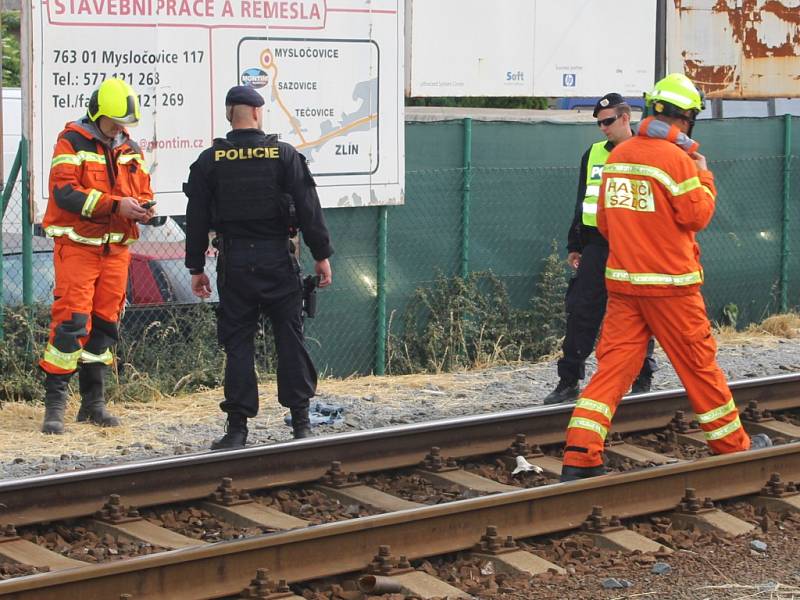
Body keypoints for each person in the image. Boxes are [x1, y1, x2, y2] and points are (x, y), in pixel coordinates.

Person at [559, 73, 771, 481]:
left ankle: (580, 455)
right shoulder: (678, 160)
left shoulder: (618, 156)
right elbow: (698, 215)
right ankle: (733, 450)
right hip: (671, 288)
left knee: (612, 370)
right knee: (698, 367)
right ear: (685, 119)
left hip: (623, 285)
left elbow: (603, 222)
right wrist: (704, 176)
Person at [184, 85, 333, 449]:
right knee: (290, 338)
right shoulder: (283, 155)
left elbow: (197, 217)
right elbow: (309, 208)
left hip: (234, 264)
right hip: (278, 261)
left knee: (238, 344)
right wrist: (322, 254)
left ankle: (237, 429)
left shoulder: (209, 161)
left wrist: (195, 268)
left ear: (229, 114)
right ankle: (300, 423)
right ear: (257, 113)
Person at [39, 77, 157, 434]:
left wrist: (146, 208)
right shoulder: (71, 140)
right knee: (71, 322)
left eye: (125, 124)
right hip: (78, 246)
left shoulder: (131, 148)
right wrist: (115, 205)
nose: (121, 129)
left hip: (116, 248)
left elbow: (144, 188)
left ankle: (92, 405)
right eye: (115, 122)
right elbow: (65, 193)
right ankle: (54, 407)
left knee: (105, 325)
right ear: (98, 113)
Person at [544, 93, 657, 405]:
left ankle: (642, 377)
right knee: (581, 310)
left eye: (607, 122)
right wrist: (575, 244)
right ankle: (568, 382)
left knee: (638, 311)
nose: (602, 128)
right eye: (599, 123)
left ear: (625, 118)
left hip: (635, 246)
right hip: (597, 244)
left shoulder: (647, 152)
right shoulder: (593, 153)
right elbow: (583, 201)